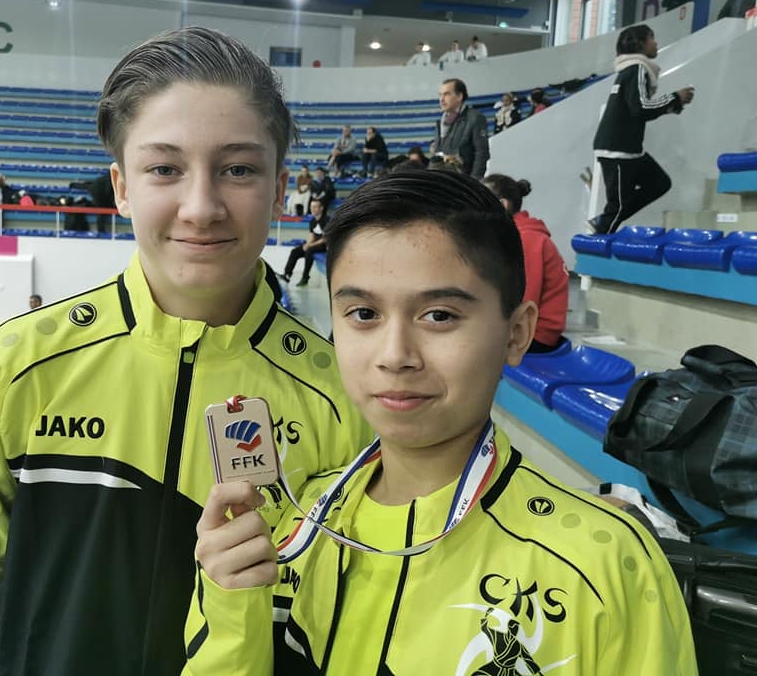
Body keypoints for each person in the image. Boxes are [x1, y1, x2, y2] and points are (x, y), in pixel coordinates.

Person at [0, 26, 371, 676]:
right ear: (122, 186)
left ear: (279, 190)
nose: (201, 207)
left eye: (238, 169)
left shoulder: (338, 398)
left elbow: (341, 616)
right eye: (165, 169)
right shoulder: (19, 364)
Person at [184, 169, 697, 675]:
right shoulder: (287, 528)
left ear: (516, 333)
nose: (394, 355)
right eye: (363, 314)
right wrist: (232, 613)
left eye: (440, 316)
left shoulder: (604, 567)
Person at [591, 25, 694, 234]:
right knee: (617, 207)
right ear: (639, 44)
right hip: (619, 149)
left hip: (626, 148)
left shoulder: (629, 70)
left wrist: (671, 106)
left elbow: (635, 108)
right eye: (651, 38)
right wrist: (675, 97)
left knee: (659, 183)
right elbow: (641, 108)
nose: (655, 43)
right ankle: (599, 234)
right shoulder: (638, 68)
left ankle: (603, 222)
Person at [483, 174, 569, 352]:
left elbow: (524, 297)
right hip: (521, 326)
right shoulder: (512, 235)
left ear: (503, 204)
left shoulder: (526, 239)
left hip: (535, 334)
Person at [431, 78, 490, 179]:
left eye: (446, 94)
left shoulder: (475, 118)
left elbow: (481, 153)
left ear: (459, 96)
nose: (441, 99)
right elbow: (437, 153)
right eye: (440, 95)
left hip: (463, 180)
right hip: (443, 179)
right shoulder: (440, 122)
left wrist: (473, 181)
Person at [280, 198, 328, 287]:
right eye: (311, 207)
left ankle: (305, 278)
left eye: (315, 207)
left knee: (309, 251)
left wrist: (310, 245)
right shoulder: (312, 221)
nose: (312, 209)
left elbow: (325, 238)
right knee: (295, 251)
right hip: (314, 245)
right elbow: (311, 235)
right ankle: (287, 275)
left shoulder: (326, 220)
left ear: (321, 208)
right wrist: (307, 244)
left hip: (325, 245)